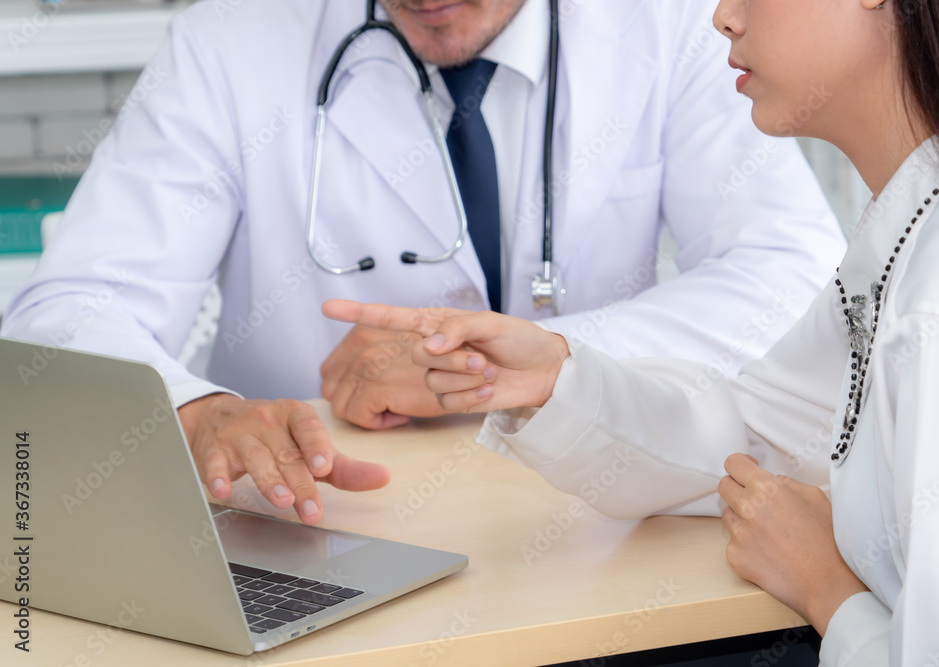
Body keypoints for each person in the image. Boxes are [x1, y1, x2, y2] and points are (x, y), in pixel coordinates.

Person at [323, 0, 939, 662]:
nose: (723, 17)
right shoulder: (910, 237)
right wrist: (553, 379)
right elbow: (757, 435)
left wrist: (829, 591)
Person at [0, 0, 844, 526]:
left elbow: (795, 272)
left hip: (596, 515)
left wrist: (501, 361)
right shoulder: (227, 42)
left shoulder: (670, 25)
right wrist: (196, 411)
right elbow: (67, 309)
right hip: (320, 525)